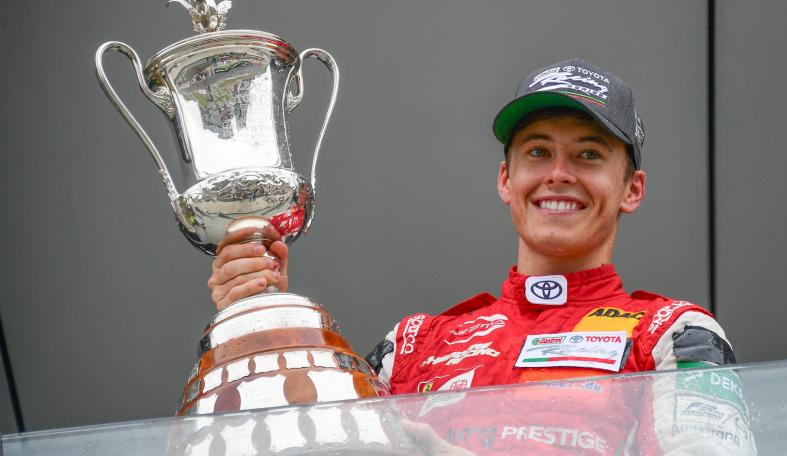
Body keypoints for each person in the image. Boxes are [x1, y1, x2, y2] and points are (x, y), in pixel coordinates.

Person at [208, 58, 754, 455]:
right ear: (505, 179)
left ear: (632, 189)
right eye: (537, 152)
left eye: (588, 155)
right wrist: (260, 323)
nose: (558, 174)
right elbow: (306, 443)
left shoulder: (670, 332)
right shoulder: (414, 343)